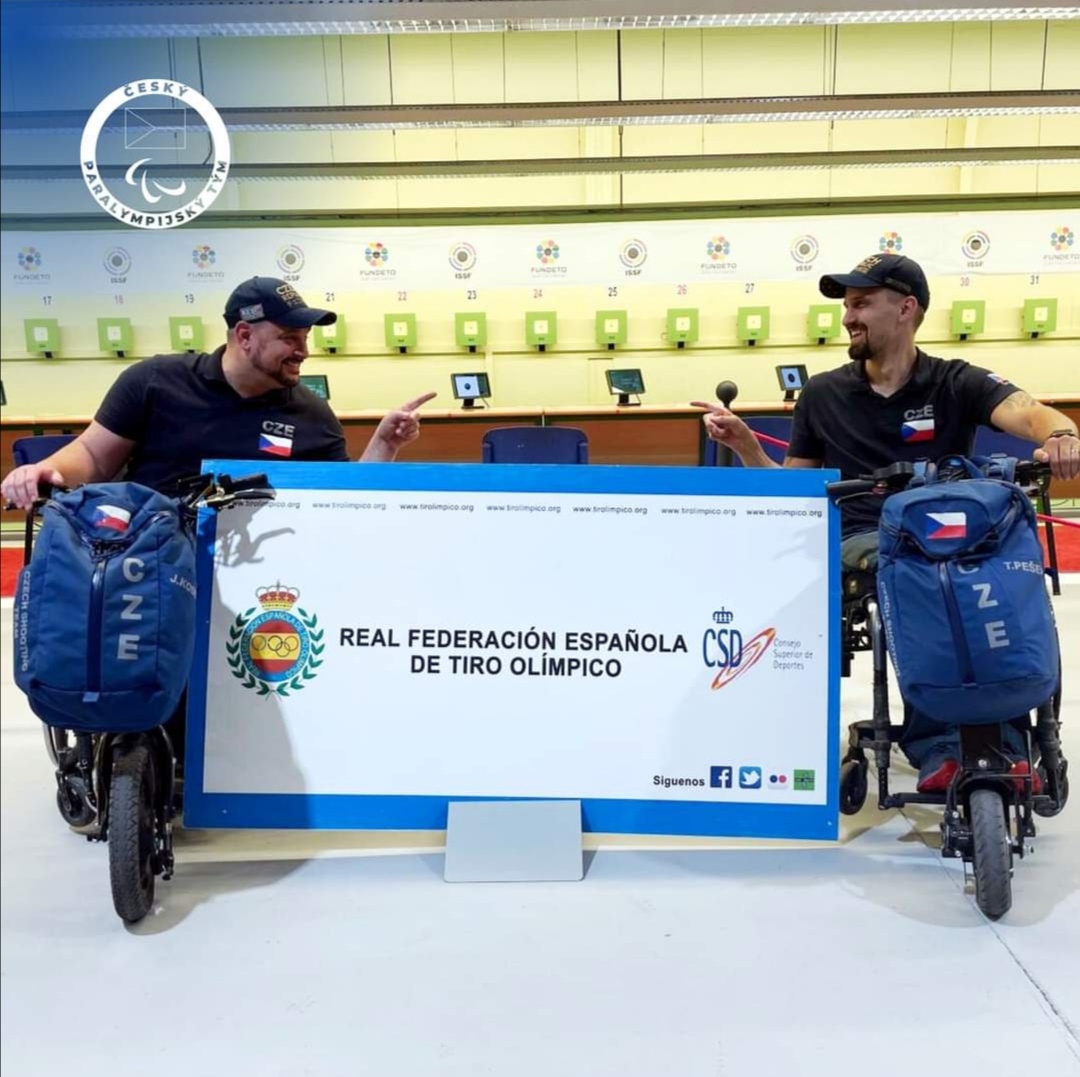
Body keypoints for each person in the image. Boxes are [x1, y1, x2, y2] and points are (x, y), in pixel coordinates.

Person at [692, 253, 1079, 792]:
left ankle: (1005, 738)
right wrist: (747, 448)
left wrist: (1061, 435)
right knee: (922, 576)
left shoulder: (955, 381)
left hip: (951, 536)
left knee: (1002, 571)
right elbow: (795, 490)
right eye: (848, 307)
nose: (848, 317)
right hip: (865, 538)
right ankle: (941, 743)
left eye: (861, 304)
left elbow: (1031, 412)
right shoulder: (822, 394)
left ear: (906, 308)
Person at [1, 276, 437, 508]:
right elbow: (93, 457)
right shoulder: (154, 381)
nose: (303, 351)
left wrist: (384, 444)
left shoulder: (312, 414)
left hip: (265, 573)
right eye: (289, 337)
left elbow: (346, 502)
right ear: (244, 335)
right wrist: (47, 469)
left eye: (305, 338)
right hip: (151, 565)